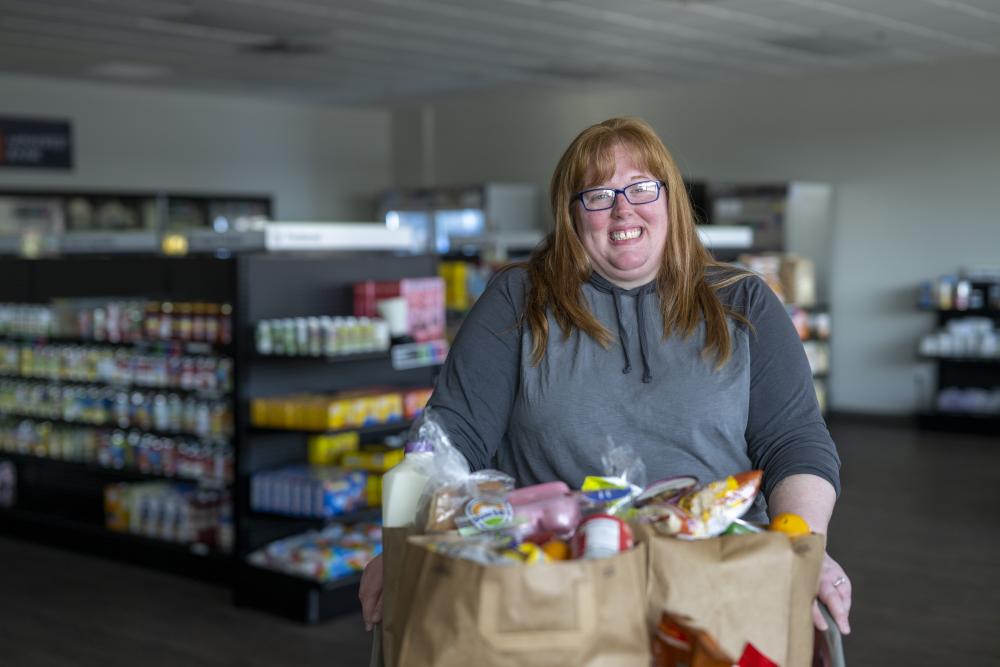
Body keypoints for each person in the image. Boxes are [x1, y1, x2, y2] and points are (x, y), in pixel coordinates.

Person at [360, 116, 851, 637]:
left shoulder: (744, 300)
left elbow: (795, 441)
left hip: (718, 575)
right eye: (598, 194)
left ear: (670, 199)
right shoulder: (520, 299)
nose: (623, 209)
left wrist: (803, 545)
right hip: (556, 581)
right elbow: (451, 433)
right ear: (572, 215)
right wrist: (404, 539)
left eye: (641, 187)